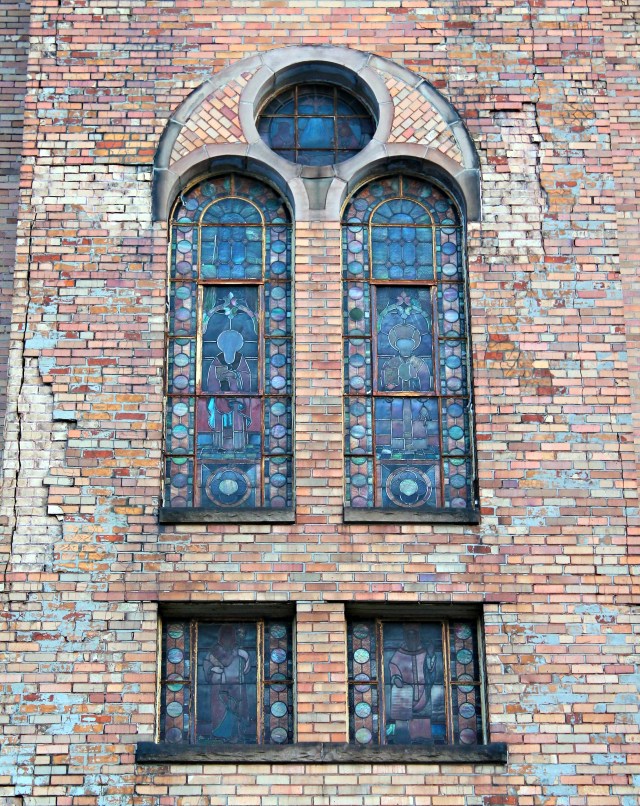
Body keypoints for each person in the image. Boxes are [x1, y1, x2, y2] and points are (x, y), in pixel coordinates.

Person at [387, 625, 444, 743]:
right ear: (405, 637)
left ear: (418, 636)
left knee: (424, 719)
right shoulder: (399, 653)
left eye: (414, 635)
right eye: (409, 635)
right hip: (404, 694)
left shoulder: (424, 652)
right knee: (402, 720)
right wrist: (396, 678)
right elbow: (393, 665)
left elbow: (430, 670)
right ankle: (402, 741)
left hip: (424, 693)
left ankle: (423, 741)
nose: (411, 637)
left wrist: (430, 655)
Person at [203, 624, 252, 742]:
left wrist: (245, 659)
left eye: (230, 636)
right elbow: (207, 665)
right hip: (219, 687)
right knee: (221, 711)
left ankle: (238, 735)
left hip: (236, 687)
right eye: (225, 636)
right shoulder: (214, 651)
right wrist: (212, 670)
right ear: (220, 637)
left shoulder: (238, 650)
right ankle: (220, 735)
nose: (228, 639)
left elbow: (246, 668)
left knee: (237, 711)